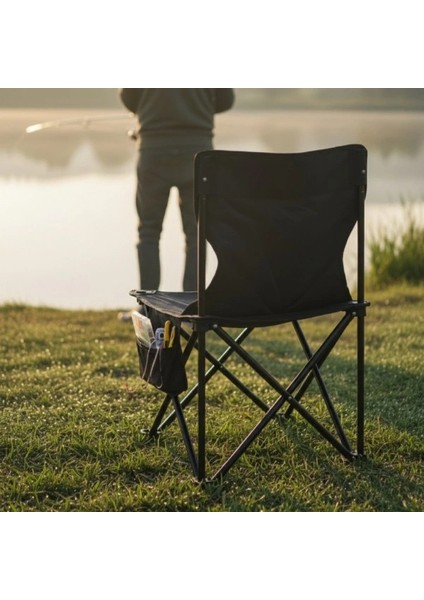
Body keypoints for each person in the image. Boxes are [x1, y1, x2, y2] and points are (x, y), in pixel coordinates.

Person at [119, 88, 235, 294]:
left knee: (148, 231)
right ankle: (192, 303)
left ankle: (147, 304)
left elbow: (128, 96)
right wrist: (197, 109)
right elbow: (225, 100)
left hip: (153, 150)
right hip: (198, 150)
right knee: (196, 233)